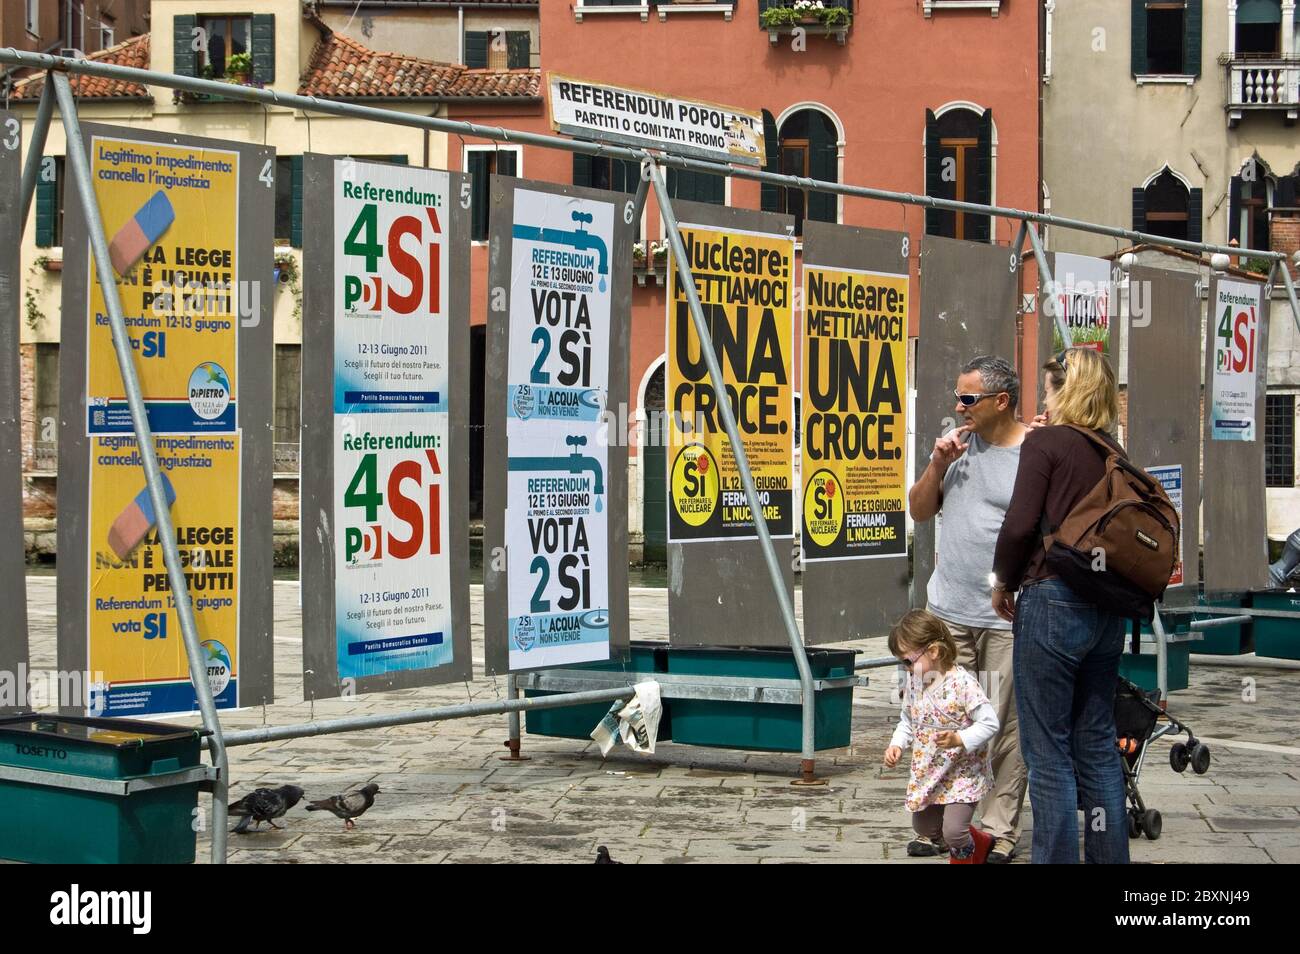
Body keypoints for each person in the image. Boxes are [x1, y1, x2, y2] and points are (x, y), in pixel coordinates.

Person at [991, 347, 1130, 864]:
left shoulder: (1045, 443)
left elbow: (1020, 524)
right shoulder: (1113, 450)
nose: (1041, 399)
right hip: (1106, 609)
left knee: (1046, 752)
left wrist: (1002, 582)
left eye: (1047, 389)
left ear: (1063, 392)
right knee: (1095, 745)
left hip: (1051, 602)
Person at [907, 355, 1030, 862]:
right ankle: (936, 826)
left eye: (968, 398)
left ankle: (998, 830)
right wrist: (937, 463)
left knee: (1001, 726)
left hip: (1003, 618)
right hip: (947, 612)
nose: (958, 407)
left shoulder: (1034, 453)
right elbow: (917, 510)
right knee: (937, 717)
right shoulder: (956, 449)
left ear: (1001, 401)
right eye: (957, 396)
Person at [883, 610, 999, 864]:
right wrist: (897, 744)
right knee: (924, 827)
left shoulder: (963, 684)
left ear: (934, 651)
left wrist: (961, 738)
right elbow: (908, 720)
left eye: (908, 661)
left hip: (962, 774)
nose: (907, 668)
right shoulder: (915, 682)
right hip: (930, 773)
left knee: (955, 833)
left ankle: (966, 855)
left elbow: (990, 722)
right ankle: (980, 842)